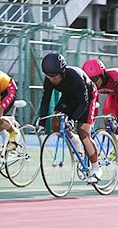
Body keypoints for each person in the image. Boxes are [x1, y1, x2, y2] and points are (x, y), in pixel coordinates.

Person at [36, 52, 102, 184]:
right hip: (69, 96)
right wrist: (41, 122)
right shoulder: (49, 80)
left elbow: (83, 103)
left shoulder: (75, 77)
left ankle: (96, 167)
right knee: (55, 124)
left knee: (83, 132)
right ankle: (74, 141)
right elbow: (45, 101)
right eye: (48, 75)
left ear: (62, 71)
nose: (51, 79)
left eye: (54, 75)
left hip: (87, 98)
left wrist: (72, 119)